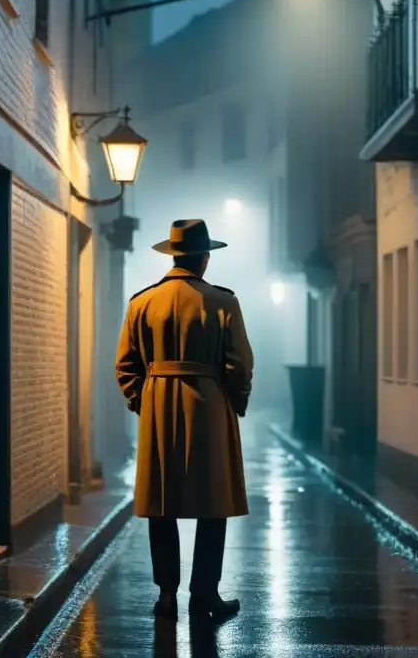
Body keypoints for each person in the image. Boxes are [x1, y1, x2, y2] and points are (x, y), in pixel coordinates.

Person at [115, 219, 254, 621]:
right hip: (210, 403)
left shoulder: (142, 302)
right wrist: (235, 402)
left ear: (174, 254)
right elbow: (240, 364)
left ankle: (166, 595)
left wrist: (143, 400)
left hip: (158, 401)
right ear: (204, 258)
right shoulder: (223, 302)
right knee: (215, 503)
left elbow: (125, 364)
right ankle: (204, 594)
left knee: (162, 503)